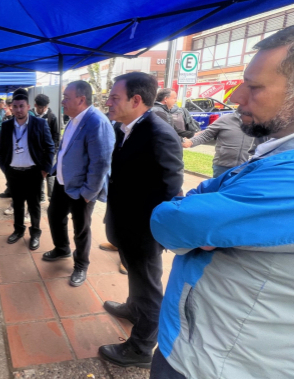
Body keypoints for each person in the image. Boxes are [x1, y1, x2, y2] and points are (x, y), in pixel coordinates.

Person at [149, 26, 294, 379]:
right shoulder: (274, 155)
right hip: (208, 346)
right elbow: (199, 203)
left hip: (216, 362)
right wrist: (209, 217)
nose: (237, 96)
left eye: (254, 86)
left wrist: (199, 216)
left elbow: (172, 221)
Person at [98, 72, 183, 368]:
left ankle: (141, 348)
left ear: (136, 100)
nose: (108, 102)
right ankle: (133, 308)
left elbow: (170, 189)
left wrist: (155, 232)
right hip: (125, 226)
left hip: (144, 232)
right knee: (137, 279)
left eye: (114, 97)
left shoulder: (159, 133)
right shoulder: (123, 128)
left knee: (148, 288)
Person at [43, 80, 115, 287]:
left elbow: (101, 163)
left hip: (82, 188)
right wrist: (55, 169)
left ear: (81, 99)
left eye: (66, 98)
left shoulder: (96, 122)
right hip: (63, 182)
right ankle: (62, 248)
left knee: (81, 228)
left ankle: (81, 264)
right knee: (55, 215)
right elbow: (66, 149)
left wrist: (88, 192)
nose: (62, 102)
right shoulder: (74, 118)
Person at [0, 89, 55, 250]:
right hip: (13, 172)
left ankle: (35, 233)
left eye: (21, 106)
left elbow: (50, 147)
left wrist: (45, 170)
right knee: (17, 204)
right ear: (12, 108)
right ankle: (18, 230)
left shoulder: (40, 123)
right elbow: (1, 150)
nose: (18, 110)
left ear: (28, 107)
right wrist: (6, 169)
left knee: (34, 205)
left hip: (34, 172)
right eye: (15, 106)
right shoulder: (7, 126)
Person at [182, 112, 265, 177]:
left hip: (249, 167)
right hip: (222, 167)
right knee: (219, 191)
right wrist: (191, 142)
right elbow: (206, 135)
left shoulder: (261, 122)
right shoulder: (225, 119)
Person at [31, 93, 60, 201]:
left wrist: (54, 150)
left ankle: (51, 196)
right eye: (40, 107)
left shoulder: (52, 117)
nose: (42, 110)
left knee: (50, 174)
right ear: (35, 105)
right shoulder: (31, 115)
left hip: (49, 151)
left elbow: (56, 135)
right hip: (36, 152)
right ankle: (41, 195)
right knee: (39, 174)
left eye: (44, 107)